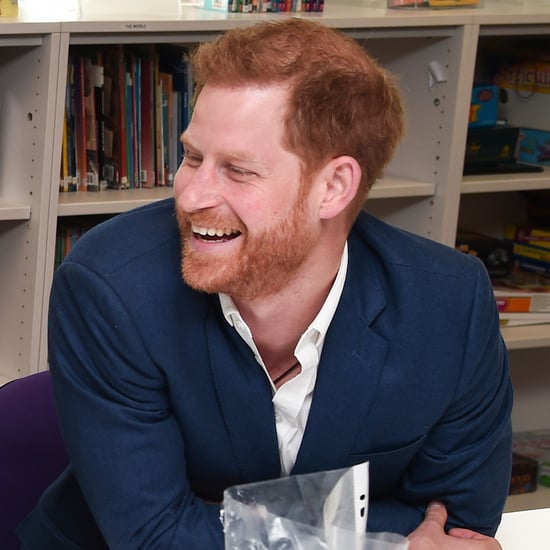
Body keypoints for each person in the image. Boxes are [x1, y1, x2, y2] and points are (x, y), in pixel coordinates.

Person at [18, 18, 512, 549]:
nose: (189, 195)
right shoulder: (109, 286)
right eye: (192, 157)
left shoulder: (448, 302)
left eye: (238, 170)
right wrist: (381, 538)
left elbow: (462, 526)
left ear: (334, 186)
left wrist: (217, 518)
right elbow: (155, 537)